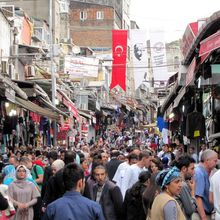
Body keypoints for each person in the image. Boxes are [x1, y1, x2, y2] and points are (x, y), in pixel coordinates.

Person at [194, 149, 218, 220]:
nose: (216, 163)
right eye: (215, 161)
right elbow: (198, 198)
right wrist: (204, 217)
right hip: (200, 214)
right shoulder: (199, 173)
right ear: (207, 161)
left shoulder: (203, 172)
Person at [174, 155, 197, 220]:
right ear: (184, 169)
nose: (194, 171)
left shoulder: (175, 181)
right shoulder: (182, 185)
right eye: (192, 168)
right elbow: (190, 210)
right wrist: (192, 191)